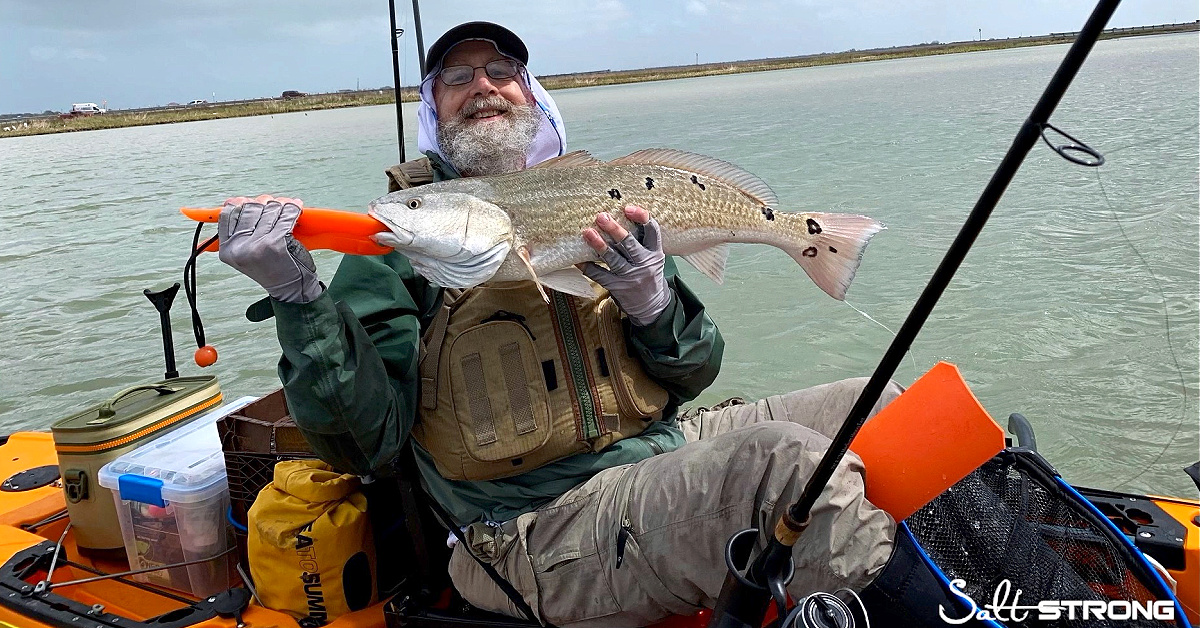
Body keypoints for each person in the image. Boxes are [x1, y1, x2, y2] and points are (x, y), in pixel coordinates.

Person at [217, 21, 902, 628]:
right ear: (433, 108)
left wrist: (652, 304)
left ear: (531, 95)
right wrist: (300, 300)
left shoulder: (597, 201)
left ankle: (948, 572)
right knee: (782, 463)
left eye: (501, 72)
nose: (482, 86)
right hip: (526, 533)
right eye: (456, 78)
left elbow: (694, 372)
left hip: (649, 450)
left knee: (877, 404)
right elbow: (362, 448)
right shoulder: (398, 254)